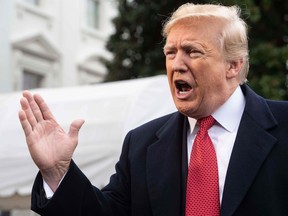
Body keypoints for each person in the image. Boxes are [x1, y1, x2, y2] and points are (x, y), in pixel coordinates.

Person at [18, 3, 288, 216]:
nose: (176, 65)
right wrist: (57, 172)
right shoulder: (142, 144)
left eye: (192, 52)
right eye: (171, 53)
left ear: (233, 65)